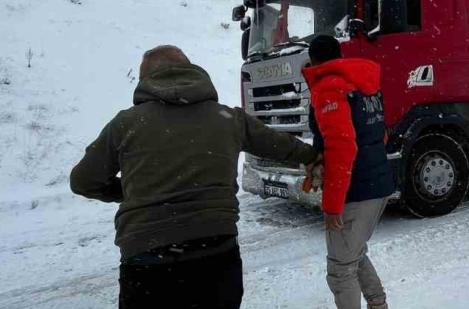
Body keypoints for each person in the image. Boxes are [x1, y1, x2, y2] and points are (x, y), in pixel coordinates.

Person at [70, 45, 319, 309]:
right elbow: (281, 145)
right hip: (217, 259)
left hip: (147, 264)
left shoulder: (125, 124)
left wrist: (126, 191)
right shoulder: (228, 118)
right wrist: (314, 157)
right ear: (190, 69)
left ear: (146, 81)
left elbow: (83, 181)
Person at [303, 35, 395, 309]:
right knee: (354, 254)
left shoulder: (329, 88)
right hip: (377, 184)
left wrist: (332, 204)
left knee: (341, 271)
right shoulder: (364, 84)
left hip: (355, 191)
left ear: (313, 61)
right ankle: (378, 305)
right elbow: (380, 135)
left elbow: (342, 147)